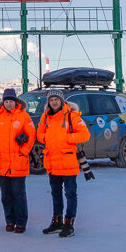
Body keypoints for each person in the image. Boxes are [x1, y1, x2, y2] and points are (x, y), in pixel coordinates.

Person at [37, 89, 90, 237]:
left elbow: (85, 134)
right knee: (56, 194)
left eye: (56, 99)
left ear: (62, 101)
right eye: (51, 100)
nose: (54, 102)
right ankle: (57, 221)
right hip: (52, 162)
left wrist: (67, 138)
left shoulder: (72, 115)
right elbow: (39, 133)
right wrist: (46, 138)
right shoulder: (45, 117)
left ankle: (69, 224)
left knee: (70, 194)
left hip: (68, 162)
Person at [0, 87, 36, 233]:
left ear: (16, 102)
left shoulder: (24, 116)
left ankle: (21, 222)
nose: (8, 104)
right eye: (6, 101)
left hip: (18, 162)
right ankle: (9, 220)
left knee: (18, 194)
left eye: (11, 101)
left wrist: (24, 151)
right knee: (5, 195)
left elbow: (31, 134)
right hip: (1, 161)